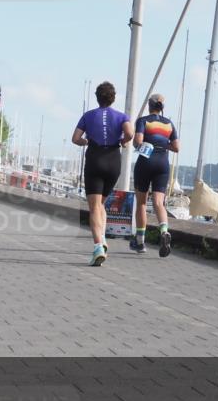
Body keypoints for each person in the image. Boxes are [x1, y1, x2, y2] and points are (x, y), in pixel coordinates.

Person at [71, 81, 134, 266]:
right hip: (113, 160)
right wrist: (123, 141)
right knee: (101, 205)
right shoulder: (122, 116)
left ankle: (98, 246)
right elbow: (130, 134)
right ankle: (104, 240)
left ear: (97, 97)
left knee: (94, 207)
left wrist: (86, 142)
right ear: (113, 98)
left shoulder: (88, 115)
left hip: (95, 159)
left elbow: (75, 138)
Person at [131, 93, 180, 257]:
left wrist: (143, 143)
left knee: (142, 203)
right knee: (159, 202)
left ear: (149, 105)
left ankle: (140, 242)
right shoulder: (169, 124)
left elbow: (138, 141)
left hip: (146, 162)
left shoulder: (143, 121)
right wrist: (162, 143)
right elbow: (176, 147)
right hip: (163, 163)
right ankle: (164, 231)